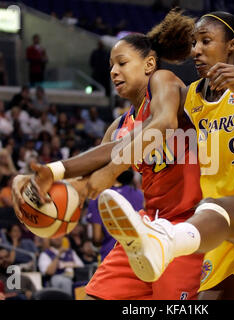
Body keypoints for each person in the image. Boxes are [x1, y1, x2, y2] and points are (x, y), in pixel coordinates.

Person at [86, 11, 234, 300]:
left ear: (231, 44)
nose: (196, 50)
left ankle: (162, 242)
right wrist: (62, 173)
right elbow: (143, 127)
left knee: (215, 207)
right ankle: (164, 241)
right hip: (222, 235)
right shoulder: (190, 97)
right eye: (194, 43)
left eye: (205, 41)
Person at [12, 9, 203, 300]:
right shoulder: (121, 124)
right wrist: (47, 178)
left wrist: (111, 171)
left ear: (149, 63)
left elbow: (164, 123)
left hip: (189, 227)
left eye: (122, 63)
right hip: (148, 225)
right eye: (111, 65)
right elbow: (99, 163)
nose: (113, 71)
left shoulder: (163, 82)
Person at [86, 170, 143, 262]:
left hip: (111, 255)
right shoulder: (139, 195)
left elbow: (97, 238)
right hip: (138, 257)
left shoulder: (98, 197)